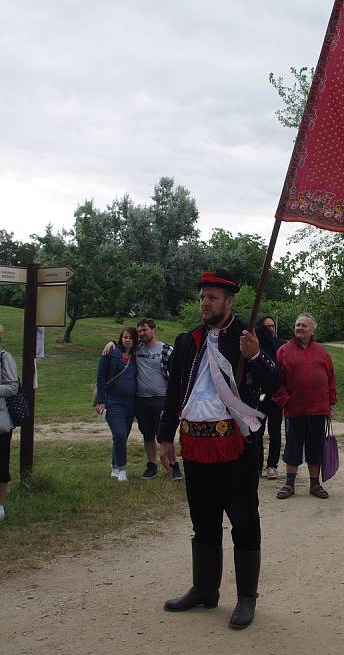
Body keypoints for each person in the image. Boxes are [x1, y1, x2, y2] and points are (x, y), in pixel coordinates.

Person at [158, 269, 278, 630]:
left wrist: (256, 357)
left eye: (211, 297)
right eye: (202, 297)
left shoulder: (251, 336)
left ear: (230, 301)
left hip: (237, 448)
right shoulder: (188, 340)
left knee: (243, 521)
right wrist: (166, 437)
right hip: (196, 446)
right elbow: (175, 392)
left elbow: (275, 384)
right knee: (203, 520)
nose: (205, 303)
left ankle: (245, 599)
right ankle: (206, 589)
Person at [103, 319, 181, 480]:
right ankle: (151, 465)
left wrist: (172, 402)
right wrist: (110, 343)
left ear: (153, 330)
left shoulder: (166, 350)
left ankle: (174, 466)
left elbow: (175, 376)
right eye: (139, 331)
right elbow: (121, 346)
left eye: (144, 330)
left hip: (161, 399)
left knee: (165, 435)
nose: (141, 333)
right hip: (141, 400)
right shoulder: (136, 349)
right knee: (147, 435)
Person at [274, 313, 337, 500]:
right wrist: (285, 401)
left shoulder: (322, 352)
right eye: (297, 324)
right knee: (293, 447)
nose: (299, 328)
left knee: (315, 447)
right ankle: (289, 484)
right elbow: (276, 382)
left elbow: (330, 379)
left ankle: (315, 485)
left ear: (312, 330)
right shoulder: (284, 351)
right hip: (294, 410)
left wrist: (330, 403)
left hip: (318, 409)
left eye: (304, 325)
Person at [96, 327, 138, 481]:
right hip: (113, 401)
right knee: (119, 434)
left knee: (121, 437)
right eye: (125, 337)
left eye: (130, 338)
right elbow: (101, 376)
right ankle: (122, 469)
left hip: (130, 403)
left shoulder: (135, 355)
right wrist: (101, 400)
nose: (127, 340)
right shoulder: (111, 353)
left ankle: (114, 467)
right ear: (121, 338)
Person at [255, 316, 285, 479]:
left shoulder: (281, 345)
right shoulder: (255, 345)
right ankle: (257, 465)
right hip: (259, 396)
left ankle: (272, 465)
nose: (271, 329)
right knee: (257, 432)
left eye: (273, 326)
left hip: (276, 396)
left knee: (275, 432)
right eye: (267, 327)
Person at [0, 324, 19, 521]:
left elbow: (13, 386)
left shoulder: (4, 358)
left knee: (1, 463)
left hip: (1, 421)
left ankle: (0, 505)